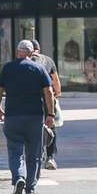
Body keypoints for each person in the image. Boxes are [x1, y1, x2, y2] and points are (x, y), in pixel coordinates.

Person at [0, 40, 55, 194]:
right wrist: (50, 114)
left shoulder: (8, 68)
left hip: (13, 116)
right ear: (31, 53)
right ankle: (30, 188)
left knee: (15, 151)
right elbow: (49, 91)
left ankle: (18, 178)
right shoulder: (39, 68)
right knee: (34, 153)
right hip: (34, 116)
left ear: (17, 52)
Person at [30, 39, 62, 170]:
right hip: (47, 97)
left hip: (30, 98)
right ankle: (50, 157)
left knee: (31, 124)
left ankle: (31, 154)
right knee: (50, 124)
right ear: (39, 49)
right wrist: (57, 94)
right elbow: (56, 81)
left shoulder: (25, 61)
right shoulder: (48, 60)